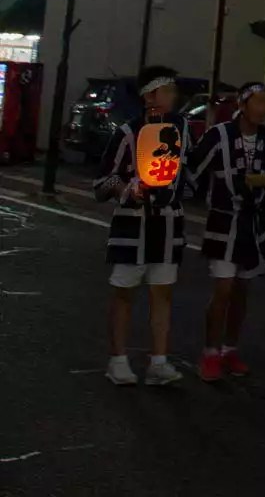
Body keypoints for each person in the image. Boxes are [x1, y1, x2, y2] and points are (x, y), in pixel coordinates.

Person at [187, 82, 265, 381]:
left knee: (242, 291)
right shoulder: (219, 134)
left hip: (253, 222)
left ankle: (230, 349)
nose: (263, 108)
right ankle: (210, 352)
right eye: (258, 101)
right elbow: (194, 169)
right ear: (243, 103)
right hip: (224, 220)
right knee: (223, 289)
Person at [93, 67, 189, 387]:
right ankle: (118, 359)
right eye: (168, 90)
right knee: (125, 293)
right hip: (132, 223)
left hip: (167, 221)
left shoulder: (180, 129)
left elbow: (188, 174)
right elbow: (104, 179)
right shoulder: (128, 132)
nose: (174, 96)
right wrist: (126, 190)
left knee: (163, 292)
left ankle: (158, 361)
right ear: (150, 95)